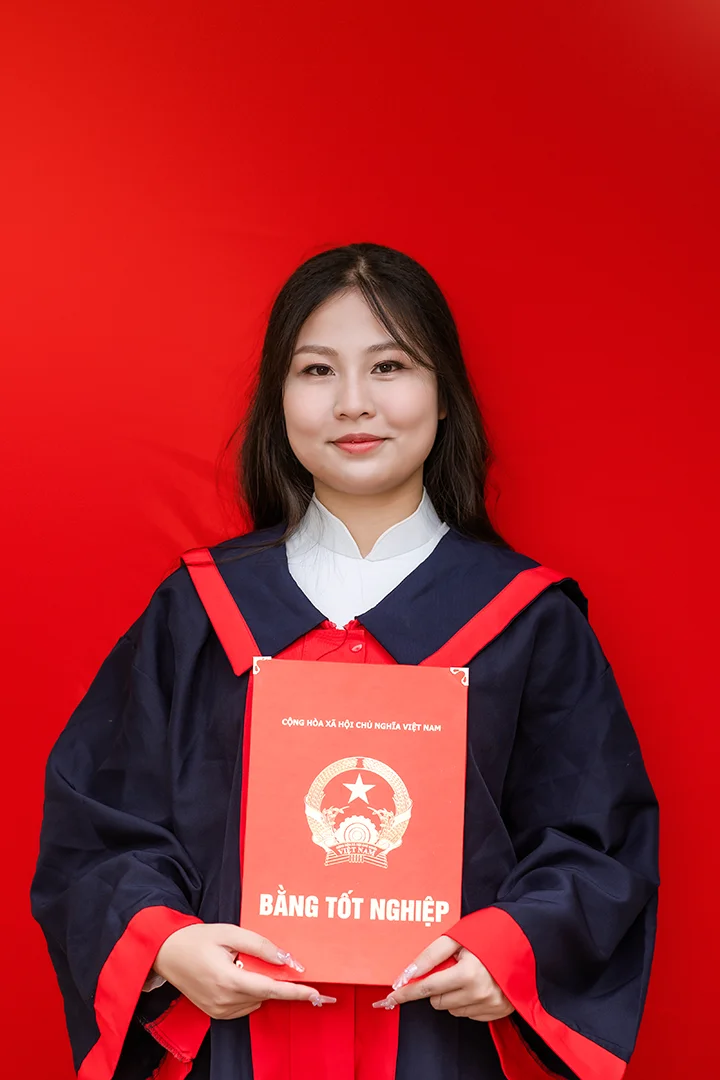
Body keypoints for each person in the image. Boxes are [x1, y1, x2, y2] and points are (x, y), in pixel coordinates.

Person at [31, 243, 659, 1080]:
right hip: (237, 1049)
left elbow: (597, 843)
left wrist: (512, 949)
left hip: (438, 1049)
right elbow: (98, 826)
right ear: (279, 400)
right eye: (317, 370)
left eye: (390, 366)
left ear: (444, 395)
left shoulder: (525, 620)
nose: (354, 402)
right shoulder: (201, 610)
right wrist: (166, 944)